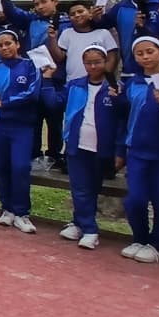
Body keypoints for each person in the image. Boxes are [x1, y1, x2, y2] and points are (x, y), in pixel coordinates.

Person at [46, 45, 123, 249]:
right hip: (77, 145)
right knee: (79, 188)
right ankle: (89, 229)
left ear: (106, 62)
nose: (93, 66)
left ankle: (79, 222)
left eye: (97, 62)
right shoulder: (75, 85)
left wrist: (119, 150)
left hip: (102, 148)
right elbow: (54, 103)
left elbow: (123, 120)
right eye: (88, 62)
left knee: (92, 188)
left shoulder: (116, 87)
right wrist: (46, 80)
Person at [118, 36, 159, 263]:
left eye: (150, 51)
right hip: (137, 152)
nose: (145, 57)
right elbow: (125, 119)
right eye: (140, 53)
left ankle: (158, 243)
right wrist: (122, 151)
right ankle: (139, 238)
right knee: (135, 199)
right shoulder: (133, 83)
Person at [0, 30, 43, 232]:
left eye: (8, 43)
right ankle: (7, 209)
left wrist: (4, 103)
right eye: (0, 45)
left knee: (21, 167)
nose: (4, 48)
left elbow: (32, 94)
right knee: (2, 167)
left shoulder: (30, 66)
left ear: (17, 44)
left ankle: (22, 212)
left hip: (21, 125)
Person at [3, 0, 70, 171]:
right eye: (36, 4)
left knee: (54, 118)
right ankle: (33, 154)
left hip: (56, 78)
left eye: (43, 2)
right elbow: (13, 13)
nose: (39, 7)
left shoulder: (67, 22)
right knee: (33, 117)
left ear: (55, 1)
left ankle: (55, 155)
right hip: (33, 77)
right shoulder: (31, 21)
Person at [54, 0, 119, 81]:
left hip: (100, 83)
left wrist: (105, 76)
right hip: (73, 82)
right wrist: (52, 39)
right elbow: (59, 57)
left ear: (90, 13)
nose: (77, 15)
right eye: (72, 14)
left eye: (80, 11)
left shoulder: (103, 33)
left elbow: (112, 57)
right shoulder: (67, 33)